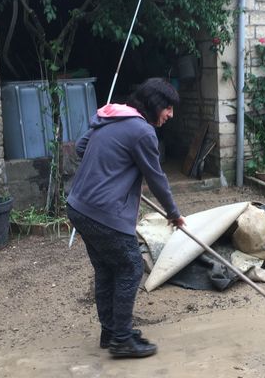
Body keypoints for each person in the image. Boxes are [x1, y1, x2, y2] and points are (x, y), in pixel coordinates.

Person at [67, 78, 185, 358]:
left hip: (79, 207)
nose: (170, 115)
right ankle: (121, 339)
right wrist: (173, 214)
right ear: (156, 104)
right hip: (103, 213)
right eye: (168, 108)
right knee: (131, 266)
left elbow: (82, 148)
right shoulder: (142, 131)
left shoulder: (109, 118)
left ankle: (111, 332)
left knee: (108, 269)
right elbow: (157, 178)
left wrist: (114, 168)